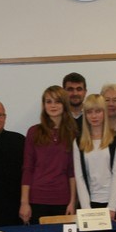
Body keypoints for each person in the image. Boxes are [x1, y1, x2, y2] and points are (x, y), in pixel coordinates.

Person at [20, 86, 78, 224]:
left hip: (62, 199)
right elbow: (28, 168)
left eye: (57, 101)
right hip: (37, 199)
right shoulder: (33, 132)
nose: (53, 105)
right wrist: (24, 202)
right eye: (48, 101)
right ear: (44, 105)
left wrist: (72, 202)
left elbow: (72, 171)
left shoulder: (73, 133)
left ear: (64, 104)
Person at [73, 94, 116, 218]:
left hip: (114, 204)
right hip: (90, 204)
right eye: (89, 112)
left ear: (104, 113)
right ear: (85, 115)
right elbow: (79, 177)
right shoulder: (78, 142)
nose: (94, 116)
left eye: (98, 111)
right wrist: (86, 208)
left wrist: (111, 207)